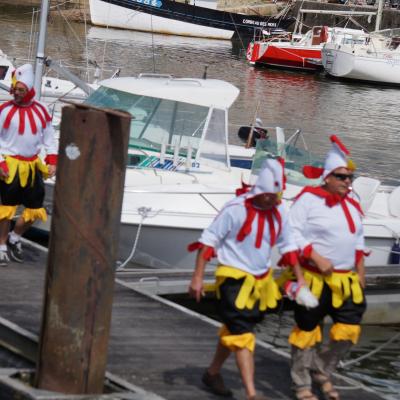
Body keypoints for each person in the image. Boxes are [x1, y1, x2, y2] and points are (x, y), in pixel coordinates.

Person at [188, 158, 318, 400]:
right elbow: (208, 241)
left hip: (260, 282)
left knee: (235, 329)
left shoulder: (279, 210)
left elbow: (289, 247)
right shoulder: (235, 208)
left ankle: (212, 372)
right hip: (233, 278)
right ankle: (251, 393)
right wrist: (197, 277)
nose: (272, 199)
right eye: (267, 194)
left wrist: (300, 281)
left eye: (275, 194)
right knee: (244, 334)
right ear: (259, 191)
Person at [287, 135, 367, 400]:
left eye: (350, 178)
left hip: (346, 281)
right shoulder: (309, 199)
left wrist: (361, 275)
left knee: (349, 329)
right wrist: (314, 255)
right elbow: (291, 232)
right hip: (314, 277)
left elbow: (358, 242)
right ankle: (302, 383)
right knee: (307, 330)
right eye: (343, 177)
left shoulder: (353, 205)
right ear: (328, 177)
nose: (348, 182)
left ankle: (321, 369)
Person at [0, 63, 57, 266]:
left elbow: (49, 137)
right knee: (6, 210)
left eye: (20, 90)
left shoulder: (41, 110)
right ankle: (2, 246)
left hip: (32, 165)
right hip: (10, 165)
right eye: (15, 89)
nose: (16, 93)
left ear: (30, 90)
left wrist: (52, 159)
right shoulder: (4, 110)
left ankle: (15, 237)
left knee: (35, 210)